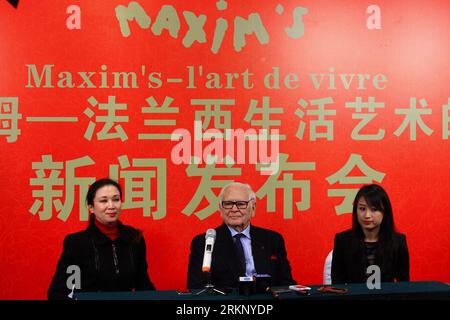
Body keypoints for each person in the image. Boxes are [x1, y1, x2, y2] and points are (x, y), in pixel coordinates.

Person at [48, 178, 155, 299]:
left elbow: (143, 285)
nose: (111, 206)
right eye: (104, 201)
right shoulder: (77, 243)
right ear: (91, 207)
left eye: (116, 199)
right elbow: (60, 291)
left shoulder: (134, 239)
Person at [187, 182, 296, 289]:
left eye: (241, 204)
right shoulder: (204, 242)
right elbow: (196, 287)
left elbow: (287, 283)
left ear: (253, 208)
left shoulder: (272, 239)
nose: (234, 209)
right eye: (228, 204)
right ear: (220, 208)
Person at [331, 184, 410, 284]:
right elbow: (337, 284)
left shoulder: (398, 242)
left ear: (385, 211)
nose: (367, 215)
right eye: (362, 209)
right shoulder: (342, 241)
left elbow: (404, 285)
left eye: (374, 209)